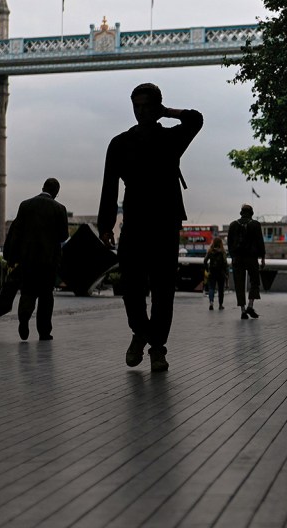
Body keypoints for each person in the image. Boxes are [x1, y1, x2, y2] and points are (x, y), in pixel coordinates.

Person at [99, 83, 203, 372]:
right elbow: (109, 186)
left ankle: (157, 347)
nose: (141, 111)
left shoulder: (172, 138)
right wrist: (106, 225)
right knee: (131, 287)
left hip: (165, 222)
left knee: (163, 289)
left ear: (157, 107)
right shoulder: (119, 144)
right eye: (137, 106)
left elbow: (196, 118)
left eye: (147, 106)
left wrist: (167, 113)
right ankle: (140, 332)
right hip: (133, 222)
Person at [4, 178, 69, 341]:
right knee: (46, 296)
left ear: (42, 188)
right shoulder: (59, 209)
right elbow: (63, 236)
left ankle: (24, 320)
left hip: (28, 260)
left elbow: (16, 234)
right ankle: (44, 331)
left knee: (28, 292)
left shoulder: (25, 205)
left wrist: (12, 259)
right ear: (56, 192)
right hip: (49, 261)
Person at [228, 204, 266, 319]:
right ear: (251, 213)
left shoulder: (233, 225)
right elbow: (260, 242)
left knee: (239, 284)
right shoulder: (255, 224)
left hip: (238, 258)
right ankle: (250, 305)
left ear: (241, 213)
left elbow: (230, 244)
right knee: (254, 282)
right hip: (252, 258)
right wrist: (263, 258)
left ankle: (243, 310)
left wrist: (233, 256)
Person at [204, 236, 228, 310]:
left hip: (212, 272)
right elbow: (225, 263)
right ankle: (220, 305)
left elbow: (205, 261)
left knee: (211, 288)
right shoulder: (223, 252)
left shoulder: (210, 251)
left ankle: (211, 303)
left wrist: (207, 269)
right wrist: (226, 272)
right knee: (221, 289)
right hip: (221, 273)